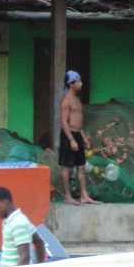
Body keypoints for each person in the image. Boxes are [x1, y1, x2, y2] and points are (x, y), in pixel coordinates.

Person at [59, 70, 99, 205]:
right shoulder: (66, 100)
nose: (81, 84)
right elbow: (64, 122)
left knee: (81, 166)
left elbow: (78, 121)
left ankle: (83, 195)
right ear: (71, 84)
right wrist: (71, 140)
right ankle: (67, 195)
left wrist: (83, 137)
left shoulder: (77, 99)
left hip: (77, 134)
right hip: (68, 135)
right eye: (78, 81)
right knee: (67, 166)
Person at [0, 186, 46, 267]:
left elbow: (25, 257)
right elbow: (39, 243)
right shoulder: (17, 219)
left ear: (5, 203)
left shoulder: (17, 223)